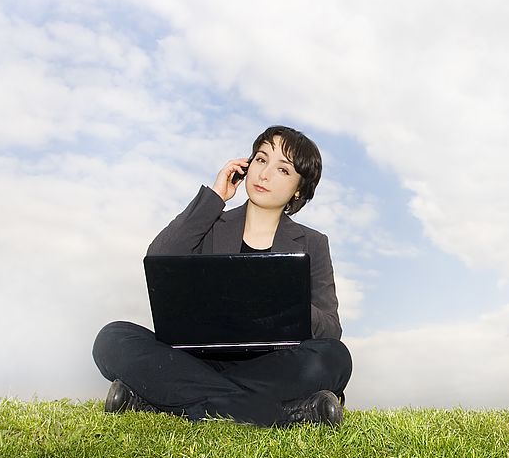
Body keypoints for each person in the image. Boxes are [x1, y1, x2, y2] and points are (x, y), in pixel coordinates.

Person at [92, 126, 352, 427]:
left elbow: (330, 329)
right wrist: (215, 197)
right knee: (112, 338)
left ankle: (159, 401)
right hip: (196, 360)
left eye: (282, 169)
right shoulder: (212, 224)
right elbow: (159, 256)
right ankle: (279, 413)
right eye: (261, 160)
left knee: (334, 358)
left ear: (298, 189)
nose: (264, 174)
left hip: (271, 367)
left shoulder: (313, 242)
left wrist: (286, 303)